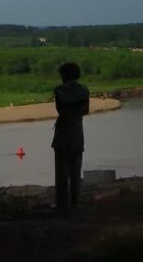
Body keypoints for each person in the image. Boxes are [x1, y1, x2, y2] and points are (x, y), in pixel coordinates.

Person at [52, 62, 90, 215]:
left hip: (62, 135)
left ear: (63, 76)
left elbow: (60, 110)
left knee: (61, 173)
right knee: (75, 173)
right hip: (77, 134)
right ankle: (75, 203)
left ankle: (62, 206)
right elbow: (85, 111)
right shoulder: (84, 91)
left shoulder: (59, 91)